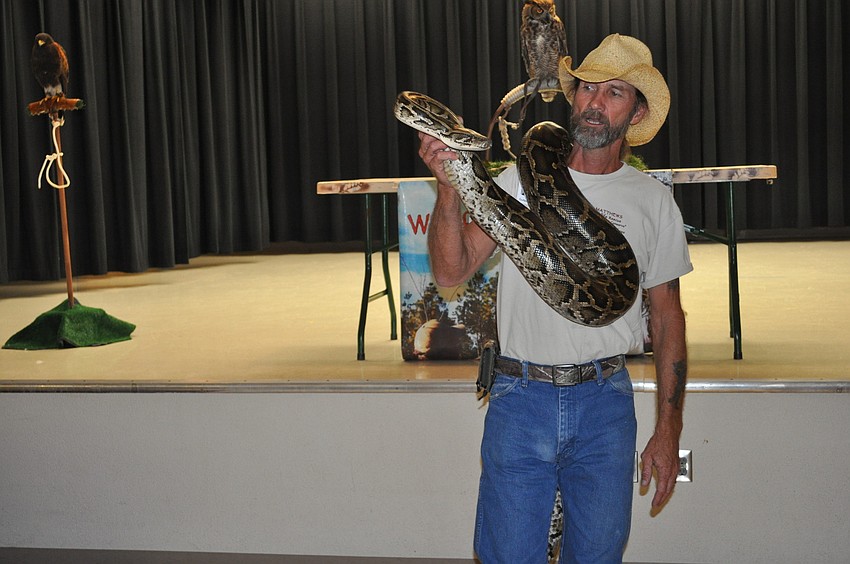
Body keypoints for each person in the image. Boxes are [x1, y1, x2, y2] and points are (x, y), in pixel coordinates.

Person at [417, 34, 692, 563]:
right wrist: (449, 190)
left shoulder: (653, 202)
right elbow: (451, 270)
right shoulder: (519, 180)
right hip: (521, 397)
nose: (595, 102)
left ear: (636, 113)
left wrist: (669, 427)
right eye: (587, 88)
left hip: (605, 403)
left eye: (614, 92)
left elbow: (667, 318)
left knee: (598, 555)